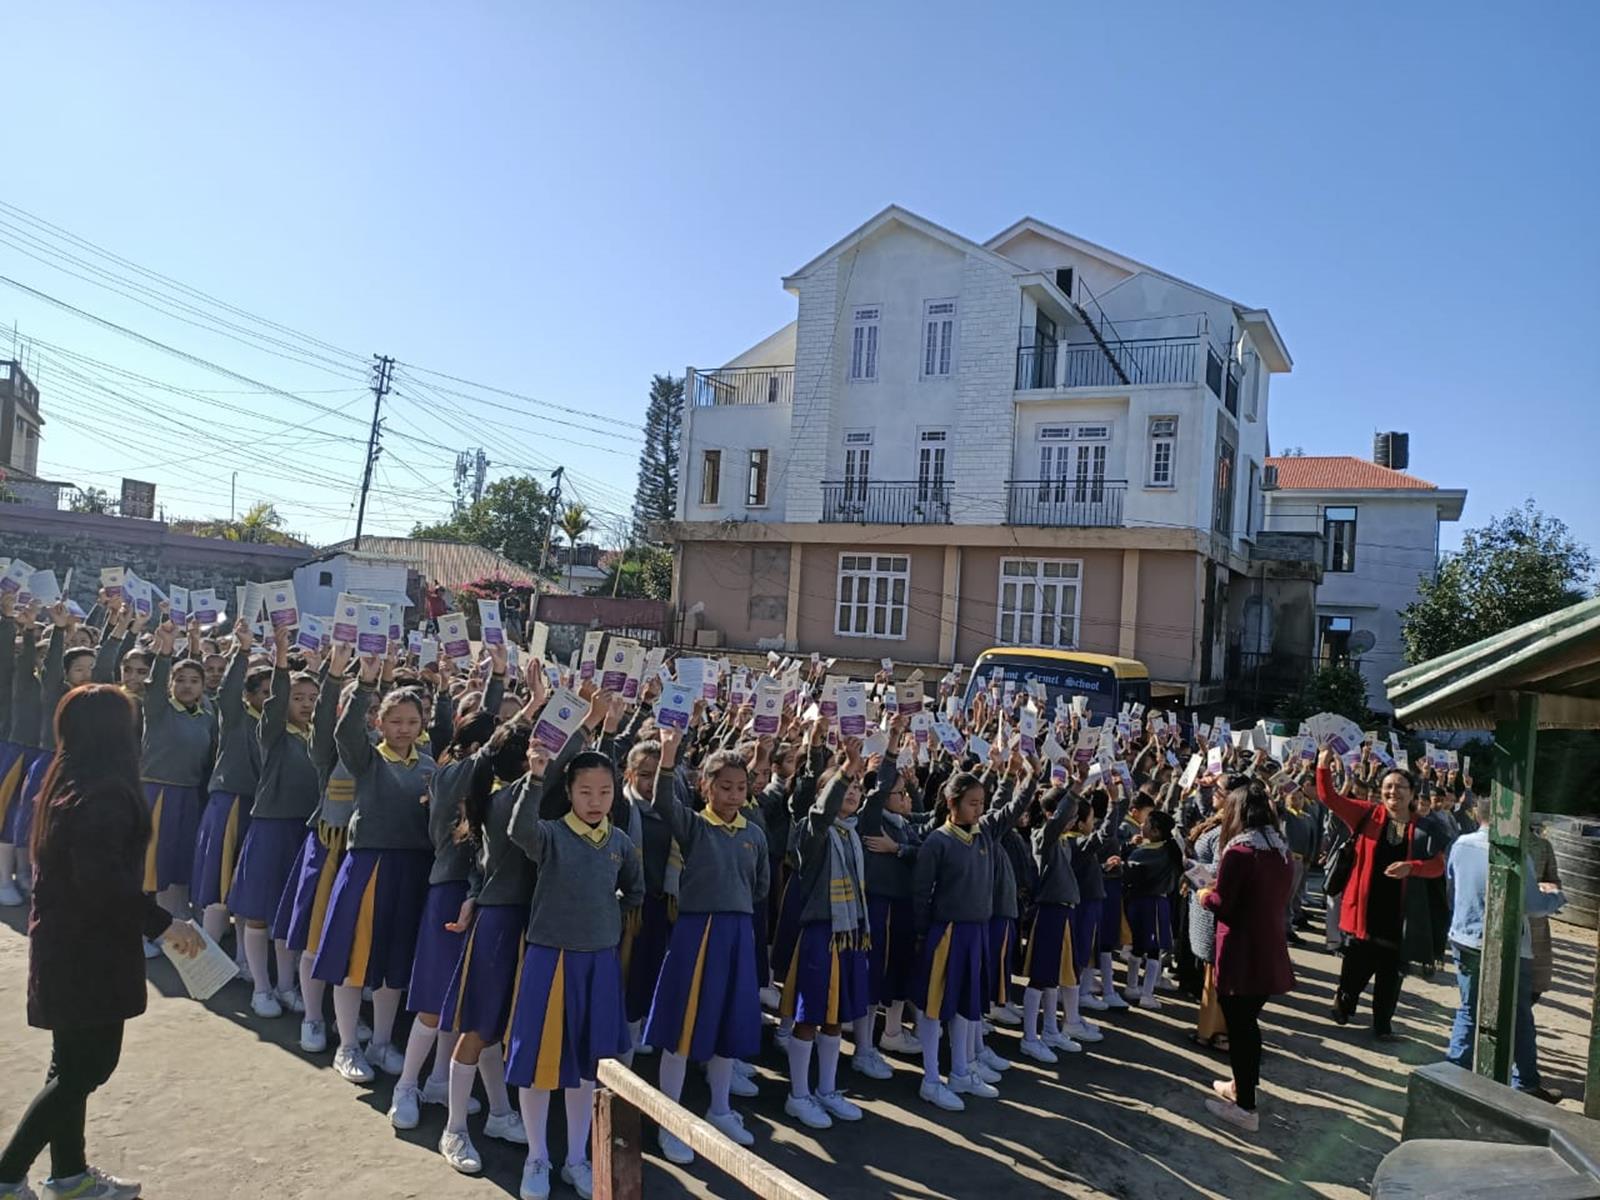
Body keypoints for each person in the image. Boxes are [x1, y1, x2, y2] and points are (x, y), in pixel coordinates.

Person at [0, 684, 203, 1200]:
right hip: (89, 951)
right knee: (87, 1068)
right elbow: (105, 884)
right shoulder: (104, 795)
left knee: (68, 1066)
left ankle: (69, 1176)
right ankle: (7, 1175)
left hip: (66, 943)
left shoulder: (68, 778)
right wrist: (164, 924)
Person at [644, 730, 768, 1164]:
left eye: (741, 787)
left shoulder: (754, 834)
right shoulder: (695, 826)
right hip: (696, 935)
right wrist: (668, 755)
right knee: (681, 1028)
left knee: (726, 1025)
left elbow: (760, 886)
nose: (733, 795)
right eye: (725, 786)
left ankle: (720, 1109)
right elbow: (663, 803)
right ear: (705, 787)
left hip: (737, 935)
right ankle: (670, 1121)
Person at [1317, 750, 1445, 1042]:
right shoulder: (1366, 814)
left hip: (1400, 915)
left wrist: (1412, 867)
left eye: (1400, 787)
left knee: (1391, 972)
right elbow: (1329, 798)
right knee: (1355, 966)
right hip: (1364, 910)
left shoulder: (1425, 828)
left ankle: (1382, 1024)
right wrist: (1323, 763)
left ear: (1412, 793)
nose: (1393, 792)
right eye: (1388, 786)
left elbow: (1438, 866)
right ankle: (1345, 1000)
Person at [1198, 778, 1296, 1133]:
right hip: (1269, 948)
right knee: (1247, 1024)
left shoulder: (1239, 852)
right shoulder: (1280, 850)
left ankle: (1245, 1107)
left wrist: (1204, 895)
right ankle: (1242, 1086)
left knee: (1241, 1030)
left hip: (1241, 951)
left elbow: (1224, 904)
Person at [1443, 824, 1563, 1102]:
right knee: (1519, 1015)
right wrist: (1556, 895)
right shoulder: (1516, 853)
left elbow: (1452, 888)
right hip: (1507, 944)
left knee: (1469, 1009)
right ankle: (1526, 1083)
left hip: (1465, 936)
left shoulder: (1461, 844)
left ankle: (1451, 1076)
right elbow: (1533, 905)